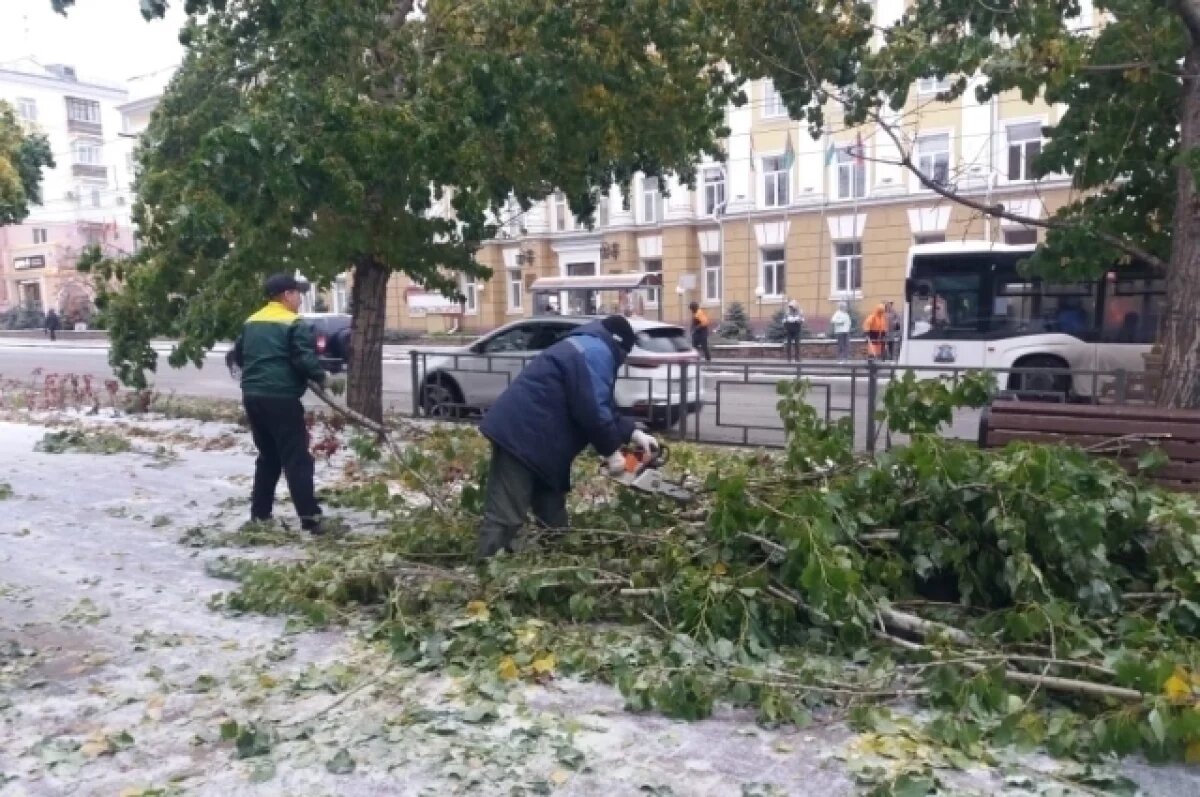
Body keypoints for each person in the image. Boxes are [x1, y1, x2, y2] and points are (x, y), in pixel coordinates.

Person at [477, 315, 659, 558]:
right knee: (506, 514)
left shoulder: (589, 345)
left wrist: (633, 433)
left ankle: (559, 558)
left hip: (544, 440)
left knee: (552, 509)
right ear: (620, 347)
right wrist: (612, 452)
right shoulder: (596, 352)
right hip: (521, 434)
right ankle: (486, 568)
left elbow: (601, 404)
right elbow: (592, 410)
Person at [233, 274, 337, 535]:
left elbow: (239, 356)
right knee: (297, 459)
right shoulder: (293, 322)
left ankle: (260, 515)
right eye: (298, 293)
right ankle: (311, 519)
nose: (300, 299)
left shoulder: (251, 321)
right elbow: (303, 358)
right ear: (286, 295)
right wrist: (323, 377)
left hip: (252, 396)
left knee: (269, 457)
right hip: (280, 397)